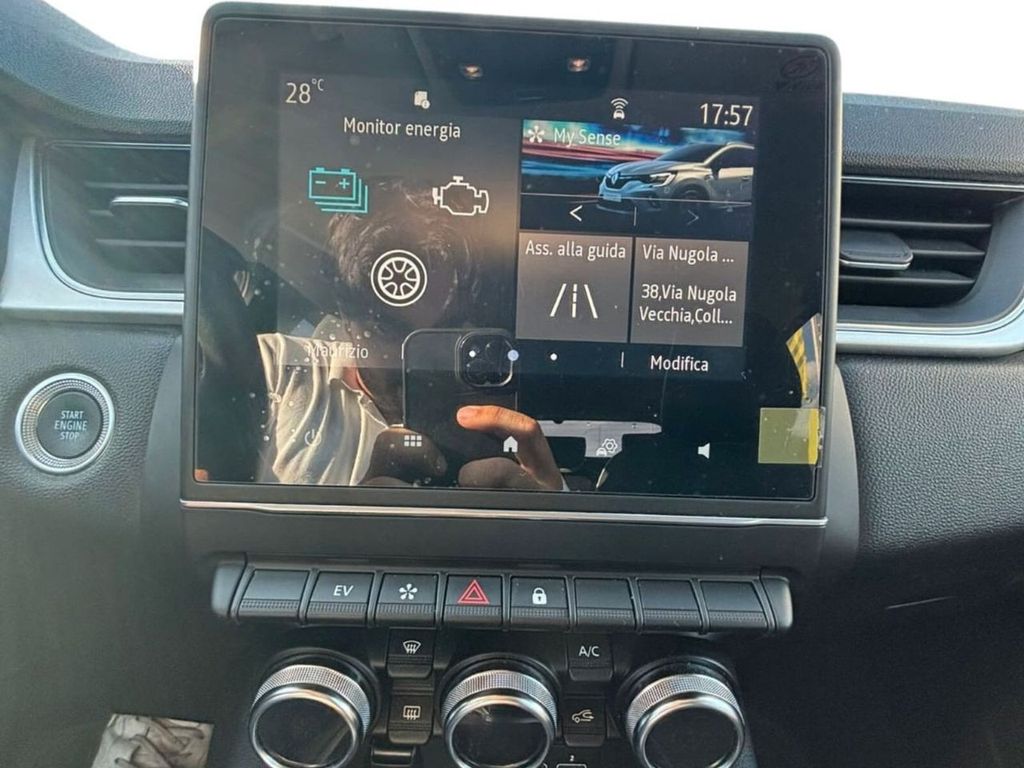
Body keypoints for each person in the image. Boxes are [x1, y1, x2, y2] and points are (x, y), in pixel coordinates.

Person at [255, 182, 562, 491]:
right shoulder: (274, 369)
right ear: (344, 313)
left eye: (445, 329)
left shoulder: (511, 401)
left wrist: (554, 504)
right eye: (388, 329)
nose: (411, 358)